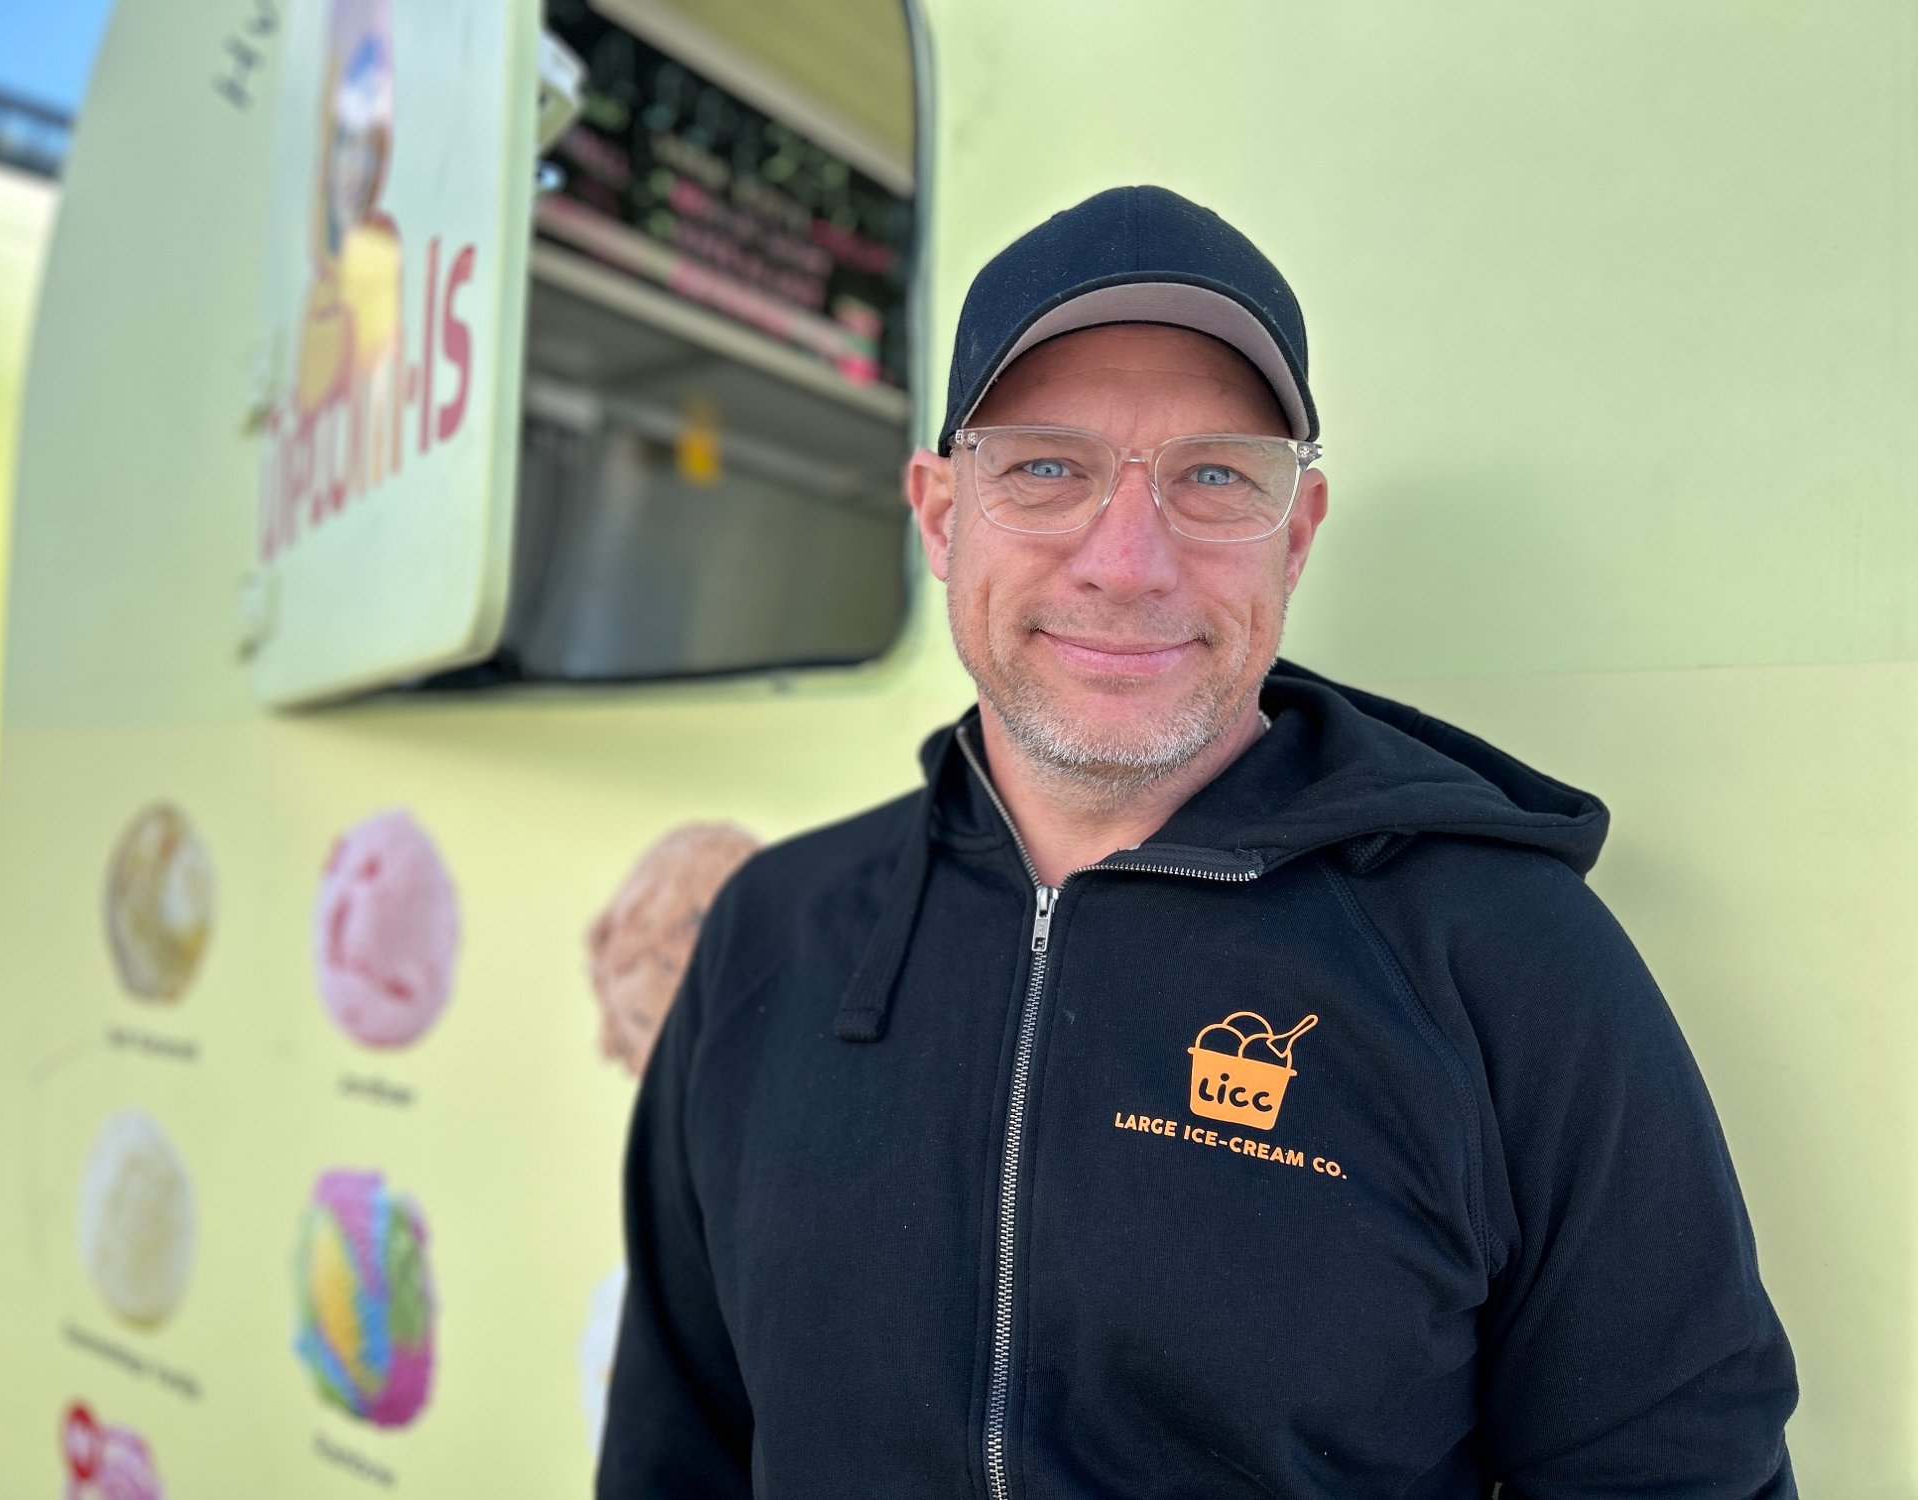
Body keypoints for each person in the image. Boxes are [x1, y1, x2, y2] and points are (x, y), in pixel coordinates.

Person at [597, 185, 1797, 1498]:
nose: (1128, 562)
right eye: (1045, 468)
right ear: (942, 516)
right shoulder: (772, 934)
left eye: (1215, 476)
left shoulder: (1511, 963)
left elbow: (1677, 1472)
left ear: (1298, 534)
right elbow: (676, 1452)